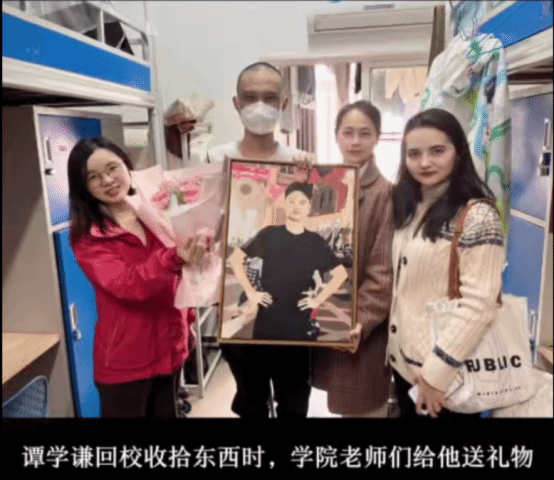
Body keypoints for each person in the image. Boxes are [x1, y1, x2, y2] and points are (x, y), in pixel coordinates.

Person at [68, 137, 207, 418]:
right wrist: (175, 257)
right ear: (83, 186)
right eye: (93, 177)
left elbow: (179, 280)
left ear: (127, 165)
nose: (107, 180)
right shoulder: (89, 236)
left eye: (112, 168)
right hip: (126, 363)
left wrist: (188, 322)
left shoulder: (156, 211)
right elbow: (129, 284)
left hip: (170, 349)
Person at [206, 61, 315, 418]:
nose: (260, 106)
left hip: (290, 304)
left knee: (294, 398)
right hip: (237, 298)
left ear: (284, 104)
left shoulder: (299, 163)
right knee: (250, 400)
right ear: (236, 103)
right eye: (250, 97)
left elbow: (317, 232)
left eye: (270, 98)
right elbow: (202, 232)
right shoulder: (215, 159)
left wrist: (313, 181)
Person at [387, 108, 505, 419]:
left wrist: (436, 373)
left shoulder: (477, 215)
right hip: (406, 368)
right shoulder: (409, 207)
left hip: (445, 377)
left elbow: (479, 305)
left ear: (459, 152)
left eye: (437, 151)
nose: (424, 163)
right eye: (414, 154)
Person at [312, 100, 395, 418]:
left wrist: (358, 318)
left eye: (365, 133)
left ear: (377, 138)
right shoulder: (322, 186)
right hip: (322, 315)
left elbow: (382, 272)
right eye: (348, 133)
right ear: (336, 136)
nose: (356, 142)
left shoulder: (386, 193)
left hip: (361, 327)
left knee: (364, 406)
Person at [228, 182, 349, 341]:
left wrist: (318, 300)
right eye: (291, 201)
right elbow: (235, 259)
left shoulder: (315, 242)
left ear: (308, 207)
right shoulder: (269, 235)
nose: (296, 206)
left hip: (300, 321)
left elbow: (341, 274)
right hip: (267, 320)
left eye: (302, 202)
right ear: (285, 204)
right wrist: (251, 292)